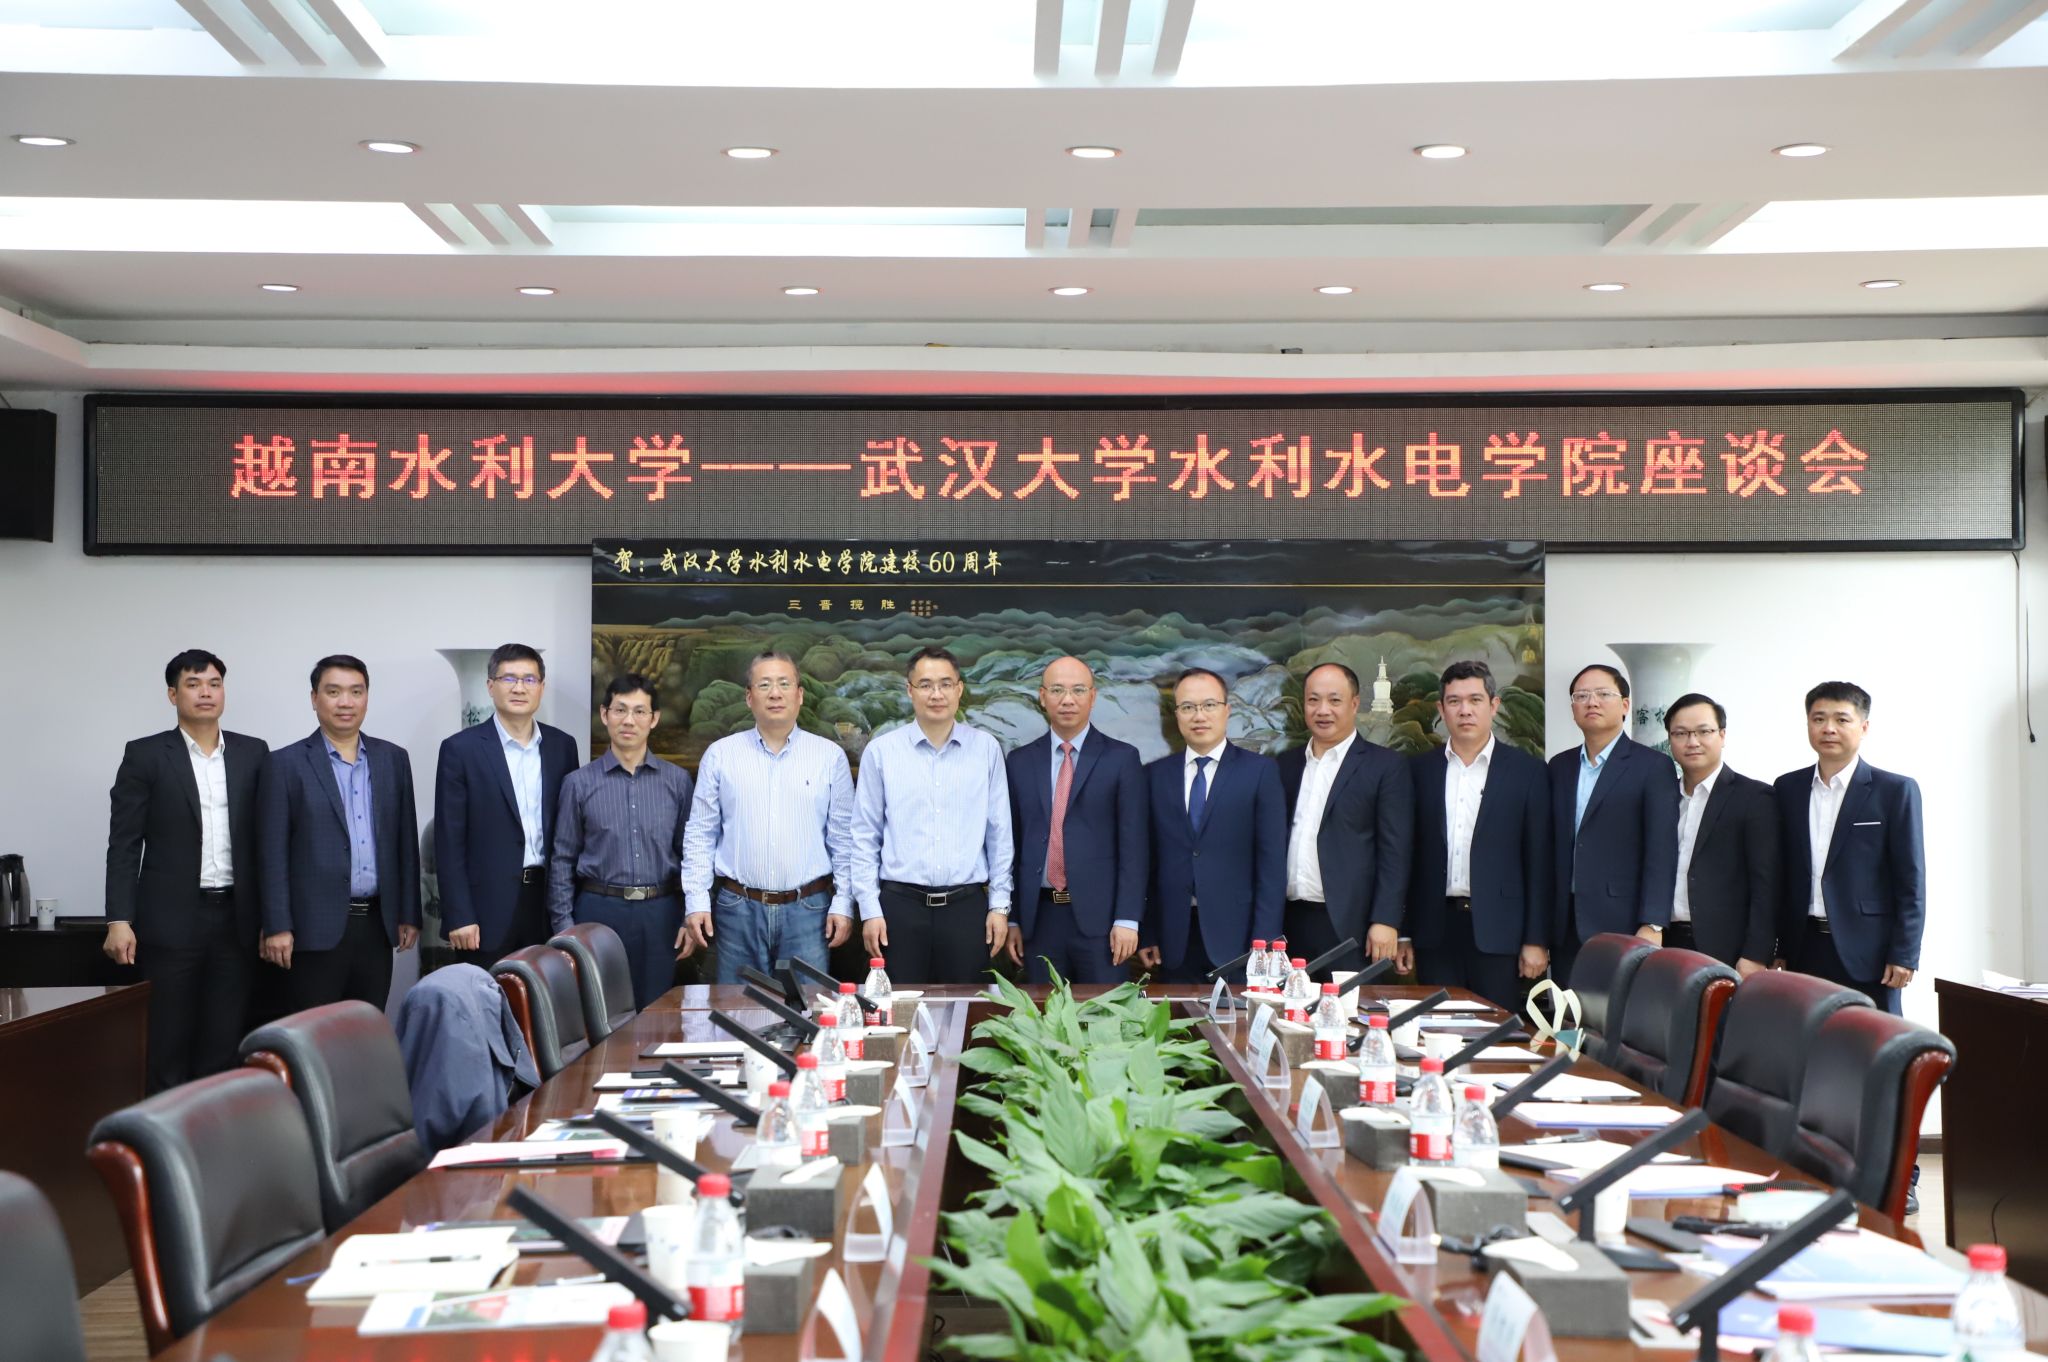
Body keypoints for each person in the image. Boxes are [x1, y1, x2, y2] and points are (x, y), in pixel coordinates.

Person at [103, 649, 270, 1093]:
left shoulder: (253, 753)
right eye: (193, 684)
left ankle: (213, 1131)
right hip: (171, 922)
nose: (205, 693)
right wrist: (119, 919)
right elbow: (124, 843)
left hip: (237, 919)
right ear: (172, 694)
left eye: (214, 683)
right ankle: (163, 1133)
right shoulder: (145, 755)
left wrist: (273, 918)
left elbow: (268, 841)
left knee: (224, 1043)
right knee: (167, 1042)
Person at [680, 650, 855, 981]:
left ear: (799, 695)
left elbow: (844, 839)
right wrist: (697, 900)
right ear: (749, 697)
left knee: (810, 1007)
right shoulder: (721, 755)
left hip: (809, 911)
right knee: (737, 1006)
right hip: (738, 909)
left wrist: (844, 902)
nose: (775, 693)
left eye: (784, 684)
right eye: (764, 685)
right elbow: (701, 834)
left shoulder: (829, 757)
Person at [258, 655, 420, 1011]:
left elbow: (405, 843)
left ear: (366, 698)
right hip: (311, 930)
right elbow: (271, 854)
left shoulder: (393, 759)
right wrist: (277, 925)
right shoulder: (284, 764)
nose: (345, 702)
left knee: (366, 1028)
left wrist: (409, 911)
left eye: (355, 692)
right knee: (314, 1032)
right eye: (333, 692)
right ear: (314, 698)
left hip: (376, 925)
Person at [850, 647, 1013, 985]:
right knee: (899, 1008)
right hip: (898, 909)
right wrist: (869, 909)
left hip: (966, 908)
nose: (936, 694)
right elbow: (865, 836)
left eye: (945, 684)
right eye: (925, 685)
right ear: (909, 690)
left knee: (969, 1008)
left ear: (959, 689)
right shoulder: (882, 752)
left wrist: (999, 906)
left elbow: (999, 832)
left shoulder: (985, 749)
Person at [1404, 661, 1551, 1011]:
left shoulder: (1527, 771)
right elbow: (1406, 856)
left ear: (1493, 705)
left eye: (1475, 700)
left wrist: (1536, 939)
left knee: (1495, 1030)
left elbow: (1540, 860)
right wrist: (1404, 932)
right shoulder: (1418, 770)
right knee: (1437, 1028)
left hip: (1500, 931)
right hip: (1434, 930)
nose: (1465, 710)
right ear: (1441, 709)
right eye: (1454, 701)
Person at [1773, 682, 1924, 1014]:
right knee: (1804, 1038)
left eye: (1841, 719)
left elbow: (1911, 880)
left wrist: (1905, 953)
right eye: (1819, 719)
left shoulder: (1894, 791)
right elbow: (1782, 874)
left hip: (1869, 952)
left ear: (1864, 727)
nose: (1828, 728)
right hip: (1803, 946)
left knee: (1872, 1040)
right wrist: (1779, 946)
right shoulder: (1787, 788)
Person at [550, 673, 694, 1010]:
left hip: (661, 913)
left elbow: (691, 855)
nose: (629, 720)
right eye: (620, 710)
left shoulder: (677, 782)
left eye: (640, 711)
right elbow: (562, 860)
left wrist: (689, 917)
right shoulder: (578, 784)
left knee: (657, 1014)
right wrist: (564, 928)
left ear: (654, 719)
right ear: (605, 714)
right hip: (599, 911)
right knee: (602, 1016)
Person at [1002, 655, 1148, 984]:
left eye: (1078, 690)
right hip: (1039, 920)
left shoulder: (1122, 759)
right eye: (1057, 690)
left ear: (1093, 697)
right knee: (1042, 1011)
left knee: (1104, 1012)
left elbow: (1134, 848)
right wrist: (1013, 918)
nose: (1067, 699)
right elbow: (1012, 844)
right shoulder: (1020, 762)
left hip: (1102, 922)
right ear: (1042, 697)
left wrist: (1128, 918)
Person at [433, 643, 579, 968]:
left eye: (529, 679)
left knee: (546, 997)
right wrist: (459, 914)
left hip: (547, 904)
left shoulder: (562, 747)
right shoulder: (461, 750)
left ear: (541, 687)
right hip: (485, 911)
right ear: (490, 686)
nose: (519, 688)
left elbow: (570, 832)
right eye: (508, 678)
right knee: (485, 997)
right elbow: (449, 840)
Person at [1141, 668, 1286, 984]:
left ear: (1226, 710)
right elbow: (1147, 862)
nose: (1199, 716)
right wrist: (1147, 931)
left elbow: (1272, 864)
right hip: (1173, 938)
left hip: (1240, 938)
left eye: (1209, 705)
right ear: (1176, 715)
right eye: (1188, 707)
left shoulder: (1260, 772)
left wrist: (1266, 939)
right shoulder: (1155, 776)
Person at [1275, 662, 1411, 975]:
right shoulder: (1285, 765)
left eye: (1334, 700)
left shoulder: (1385, 766)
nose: (1323, 710)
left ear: (1354, 704)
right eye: (1313, 700)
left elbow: (1396, 851)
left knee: (1349, 1007)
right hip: (1288, 925)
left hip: (1353, 927)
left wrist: (1386, 919)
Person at [1547, 663, 1677, 986]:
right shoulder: (1559, 766)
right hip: (1564, 924)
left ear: (1625, 705)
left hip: (1623, 924)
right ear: (1573, 708)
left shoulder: (1653, 766)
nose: (1591, 702)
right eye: (1581, 696)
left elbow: (1661, 849)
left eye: (1603, 694)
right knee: (1568, 1011)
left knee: (1616, 1013)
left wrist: (1653, 923)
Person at [1665, 693, 1777, 975]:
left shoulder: (1754, 797)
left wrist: (1756, 953)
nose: (1692, 742)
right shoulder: (1662, 797)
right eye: (1681, 733)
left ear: (1722, 735)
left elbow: (1767, 884)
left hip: (1725, 948)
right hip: (1663, 942)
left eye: (1704, 731)